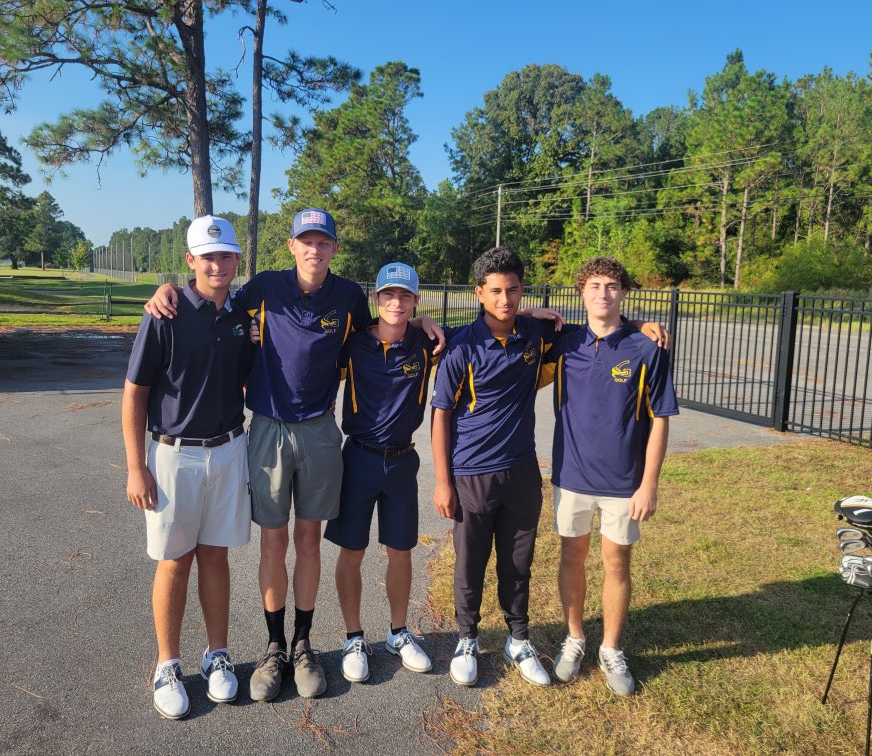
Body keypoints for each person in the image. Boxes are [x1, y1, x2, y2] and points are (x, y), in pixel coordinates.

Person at [144, 209, 442, 701]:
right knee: (272, 543)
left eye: (323, 242)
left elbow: (386, 330)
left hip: (320, 432)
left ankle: (303, 644)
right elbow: (213, 300)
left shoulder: (347, 296)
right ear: (291, 246)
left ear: (334, 249)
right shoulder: (262, 287)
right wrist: (168, 288)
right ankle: (274, 646)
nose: (314, 250)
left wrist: (426, 319)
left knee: (309, 540)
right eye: (306, 241)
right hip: (265, 430)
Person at [122, 215, 253, 719]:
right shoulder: (165, 313)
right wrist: (136, 468)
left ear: (237, 259)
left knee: (216, 556)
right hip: (173, 454)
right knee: (174, 560)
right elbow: (135, 394)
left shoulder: (244, 317)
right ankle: (168, 663)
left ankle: (217, 654)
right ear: (190, 261)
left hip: (227, 448)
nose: (217, 264)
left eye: (226, 255)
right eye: (208, 256)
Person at [430, 247, 566, 689]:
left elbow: (597, 333)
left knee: (517, 561)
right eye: (495, 292)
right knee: (470, 561)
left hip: (523, 471)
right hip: (471, 474)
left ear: (522, 291)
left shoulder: (535, 334)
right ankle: (467, 638)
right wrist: (443, 482)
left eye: (512, 291)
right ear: (479, 294)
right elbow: (441, 415)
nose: (504, 300)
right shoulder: (461, 347)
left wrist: (641, 325)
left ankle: (518, 637)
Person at [544, 256, 678, 696]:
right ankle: (575, 638)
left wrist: (649, 483)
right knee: (571, 557)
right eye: (595, 285)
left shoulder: (646, 348)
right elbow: (506, 318)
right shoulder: (563, 341)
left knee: (616, 562)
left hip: (624, 481)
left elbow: (660, 418)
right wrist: (641, 321)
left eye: (613, 286)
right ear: (581, 292)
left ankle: (611, 648)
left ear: (623, 292)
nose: (603, 293)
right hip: (571, 475)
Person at [324, 262, 437, 683]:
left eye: (405, 296)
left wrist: (535, 313)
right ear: (376, 299)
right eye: (389, 294)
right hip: (358, 458)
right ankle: (354, 636)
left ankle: (398, 631)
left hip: (403, 461)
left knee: (400, 550)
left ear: (415, 301)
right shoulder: (351, 346)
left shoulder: (427, 344)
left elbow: (488, 325)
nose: (396, 302)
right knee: (351, 550)